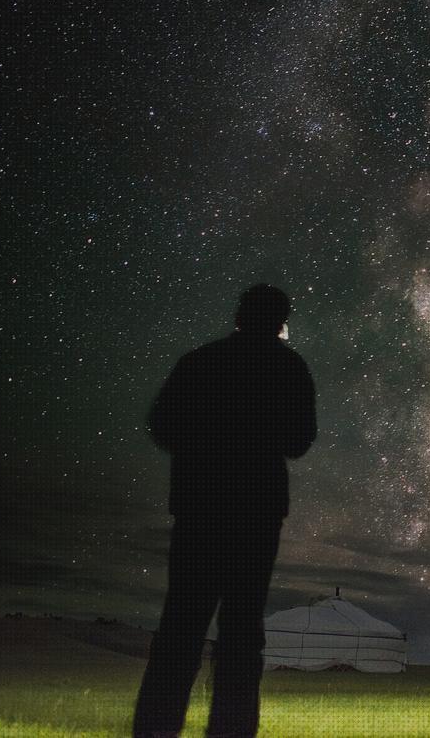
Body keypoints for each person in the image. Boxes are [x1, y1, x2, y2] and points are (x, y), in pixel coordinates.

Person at [133, 284, 317, 737]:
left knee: (181, 623)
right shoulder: (289, 368)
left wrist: (203, 447)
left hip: (200, 507)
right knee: (242, 631)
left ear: (239, 314)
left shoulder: (201, 361)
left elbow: (162, 424)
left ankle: (155, 729)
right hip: (256, 511)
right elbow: (299, 441)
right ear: (281, 320)